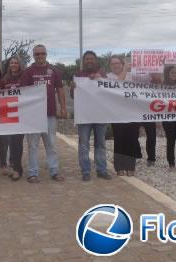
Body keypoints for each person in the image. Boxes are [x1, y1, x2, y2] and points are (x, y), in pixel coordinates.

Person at [20, 44, 66, 183]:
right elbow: (23, 93)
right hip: (33, 116)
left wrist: (63, 107)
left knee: (51, 144)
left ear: (46, 54)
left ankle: (54, 171)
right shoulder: (28, 72)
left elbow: (59, 89)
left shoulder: (54, 70)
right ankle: (32, 173)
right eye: (37, 54)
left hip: (50, 114)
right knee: (33, 145)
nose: (40, 56)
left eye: (42, 53)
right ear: (33, 56)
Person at [71, 51, 111, 181]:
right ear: (84, 61)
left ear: (96, 60)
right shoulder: (78, 75)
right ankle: (86, 171)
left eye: (91, 59)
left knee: (100, 144)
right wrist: (73, 88)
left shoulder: (103, 74)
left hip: (100, 115)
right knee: (83, 144)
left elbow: (110, 91)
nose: (89, 61)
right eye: (87, 59)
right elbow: (73, 95)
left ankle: (102, 170)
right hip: (84, 116)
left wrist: (101, 79)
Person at [107, 56, 142, 176]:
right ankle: (119, 167)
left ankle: (130, 166)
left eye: (117, 63)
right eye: (112, 64)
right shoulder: (108, 77)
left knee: (131, 140)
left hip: (132, 113)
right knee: (119, 140)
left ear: (122, 64)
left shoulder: (132, 76)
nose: (115, 65)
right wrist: (125, 70)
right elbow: (117, 85)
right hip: (116, 114)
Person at [2, 55, 25, 181]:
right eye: (12, 63)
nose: (14, 64)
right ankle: (15, 166)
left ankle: (17, 169)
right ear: (9, 65)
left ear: (19, 64)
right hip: (8, 114)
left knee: (18, 142)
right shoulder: (5, 78)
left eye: (16, 62)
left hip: (21, 114)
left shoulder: (24, 77)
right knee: (11, 142)